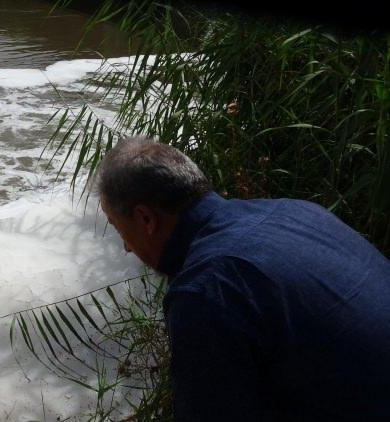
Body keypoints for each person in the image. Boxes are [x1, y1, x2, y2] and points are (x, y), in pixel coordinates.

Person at [97, 136, 390, 420]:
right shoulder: (297, 211)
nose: (125, 247)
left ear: (145, 219)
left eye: (118, 228)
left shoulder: (207, 291)